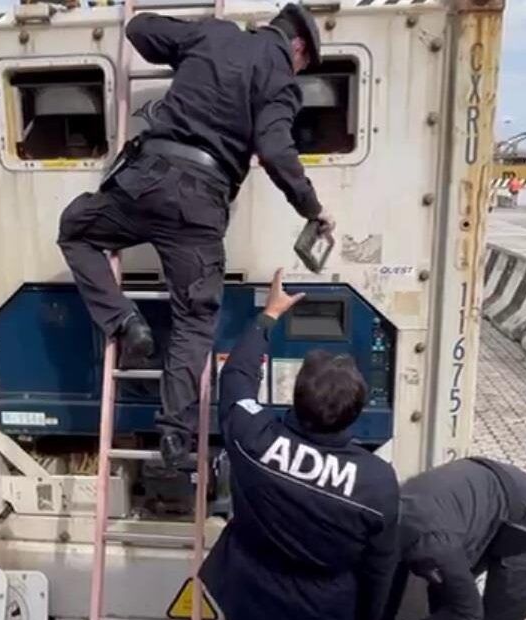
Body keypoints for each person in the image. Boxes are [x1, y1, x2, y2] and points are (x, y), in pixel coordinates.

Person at [56, 4, 335, 468]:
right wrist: (313, 207)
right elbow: (274, 150)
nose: (299, 69)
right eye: (304, 63)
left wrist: (187, 40)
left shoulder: (214, 35)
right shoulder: (280, 81)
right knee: (194, 318)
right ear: (299, 46)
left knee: (76, 230)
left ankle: (124, 321)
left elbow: (140, 28)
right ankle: (173, 432)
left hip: (144, 182)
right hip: (200, 206)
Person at [199, 269, 400, 620]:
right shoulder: (377, 483)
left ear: (296, 397)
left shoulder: (252, 436)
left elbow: (236, 377)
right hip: (323, 612)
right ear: (355, 412)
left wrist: (268, 315)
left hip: (250, 597)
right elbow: (379, 566)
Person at [377, 458, 526, 620]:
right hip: (478, 496)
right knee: (443, 598)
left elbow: (469, 613)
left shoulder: (433, 546)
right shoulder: (383, 519)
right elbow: (388, 578)